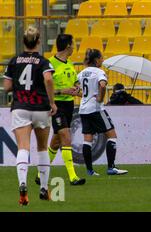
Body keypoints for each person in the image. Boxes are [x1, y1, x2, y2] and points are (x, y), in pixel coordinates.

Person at [3, 26, 57, 205]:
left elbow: (7, 86)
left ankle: (23, 184)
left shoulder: (14, 61)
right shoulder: (43, 61)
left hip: (20, 107)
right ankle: (43, 188)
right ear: (39, 42)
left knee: (23, 147)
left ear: (23, 41)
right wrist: (52, 102)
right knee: (42, 148)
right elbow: (48, 79)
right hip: (41, 107)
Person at [35, 34, 85, 186]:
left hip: (69, 106)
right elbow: (43, 88)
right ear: (68, 46)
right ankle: (72, 176)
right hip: (56, 105)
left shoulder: (69, 63)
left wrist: (77, 88)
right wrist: (62, 91)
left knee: (56, 141)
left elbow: (75, 82)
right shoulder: (49, 64)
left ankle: (40, 174)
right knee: (66, 137)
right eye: (73, 44)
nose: (74, 47)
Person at [77, 48, 128, 176]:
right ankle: (111, 167)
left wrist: (83, 96)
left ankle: (89, 170)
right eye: (101, 58)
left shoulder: (82, 73)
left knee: (87, 139)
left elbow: (76, 88)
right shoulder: (100, 72)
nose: (103, 60)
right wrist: (100, 98)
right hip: (96, 109)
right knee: (112, 135)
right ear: (96, 60)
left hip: (83, 109)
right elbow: (103, 85)